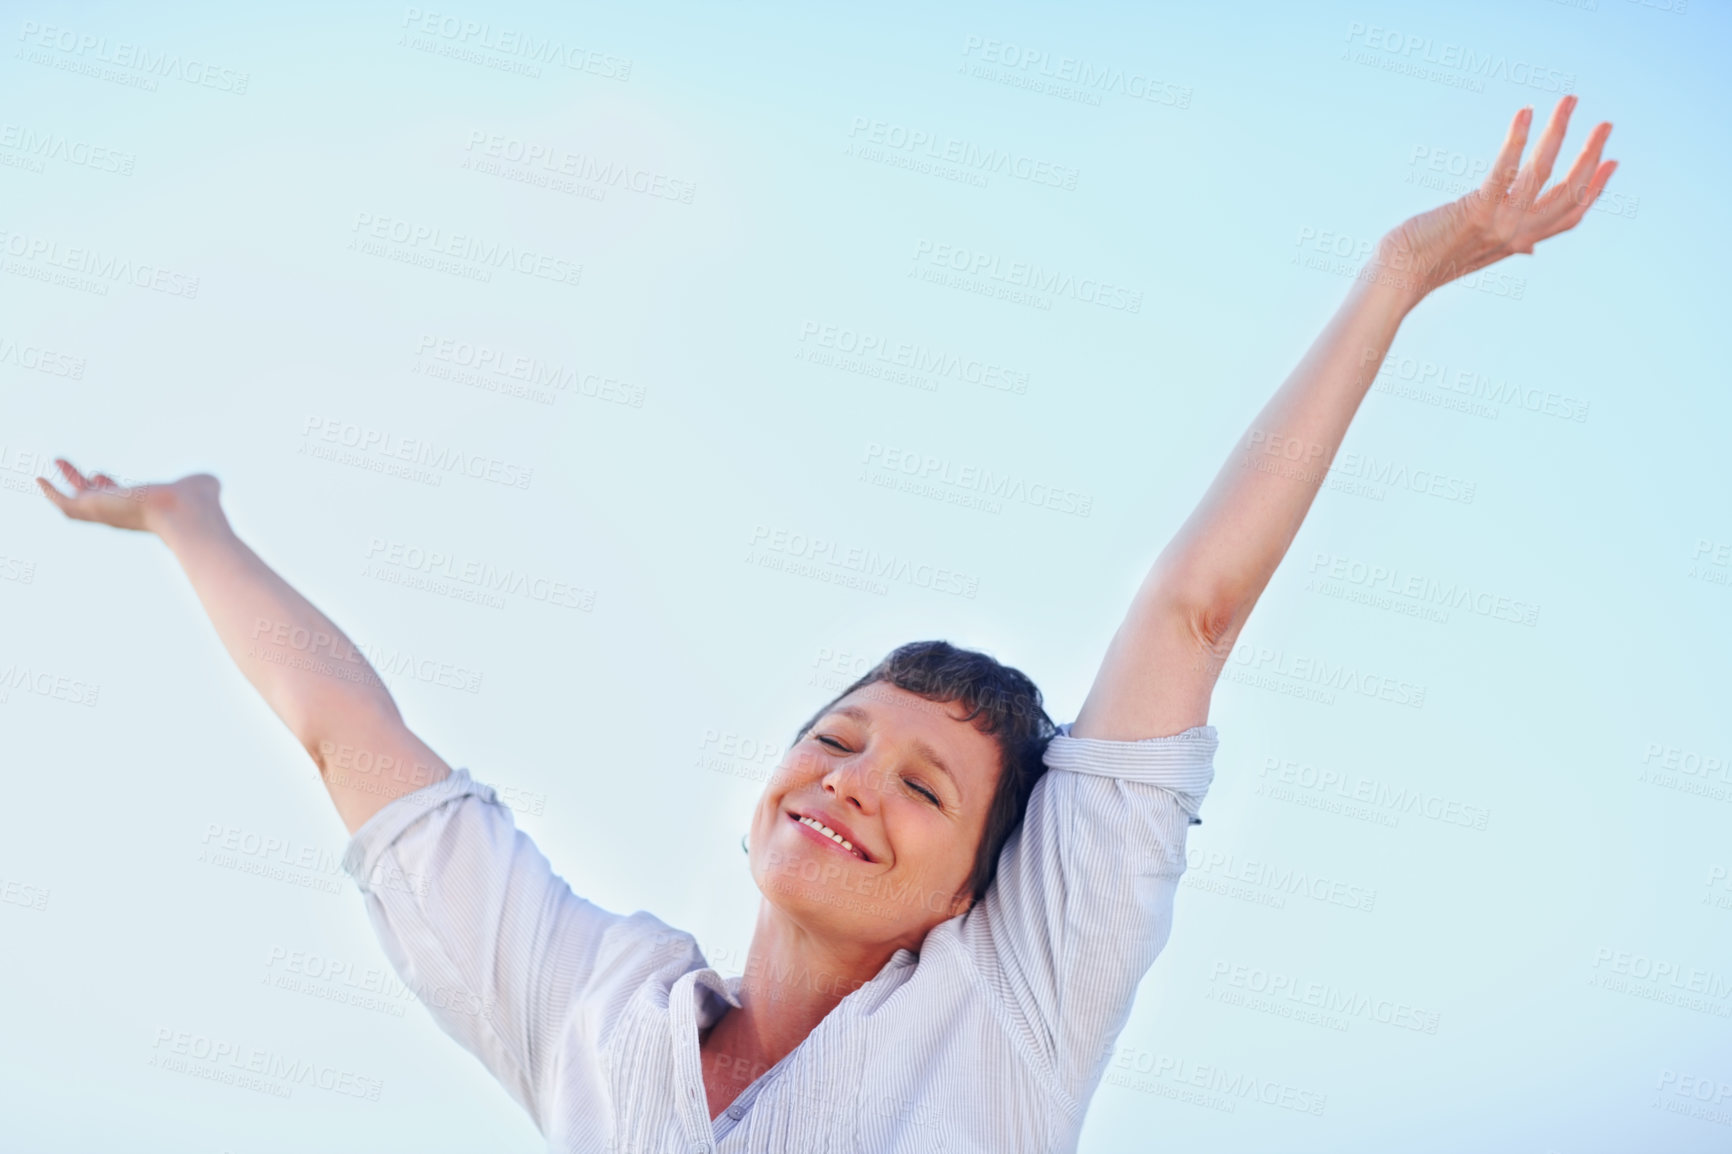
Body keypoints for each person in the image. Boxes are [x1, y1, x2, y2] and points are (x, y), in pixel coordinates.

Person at [38, 97, 1614, 1154]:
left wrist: (1398, 277)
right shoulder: (596, 1011)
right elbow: (346, 734)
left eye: (925, 787)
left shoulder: (1012, 1004)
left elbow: (1192, 608)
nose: (853, 778)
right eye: (840, 739)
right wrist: (194, 521)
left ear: (978, 892)